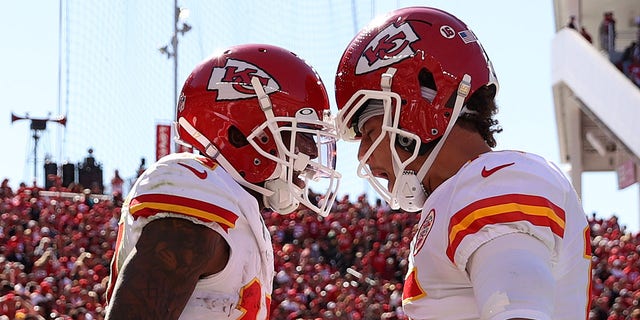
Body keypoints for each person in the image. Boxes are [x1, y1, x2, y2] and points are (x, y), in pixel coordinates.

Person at [334, 7, 592, 319]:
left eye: (370, 132)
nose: (364, 155)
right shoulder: (473, 188)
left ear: (419, 110)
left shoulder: (491, 183)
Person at [104, 44, 341, 319]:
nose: (312, 151)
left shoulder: (245, 216)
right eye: (301, 132)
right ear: (241, 134)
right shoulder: (199, 186)